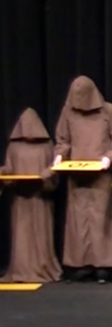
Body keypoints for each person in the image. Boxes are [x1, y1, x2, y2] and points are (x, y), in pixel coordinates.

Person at [53, 75, 112, 283]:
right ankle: (81, 264)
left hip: (101, 175)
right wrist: (60, 155)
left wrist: (108, 159)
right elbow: (63, 140)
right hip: (77, 175)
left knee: (101, 218)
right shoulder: (68, 112)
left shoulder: (108, 111)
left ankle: (103, 266)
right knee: (79, 219)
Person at [0, 108, 62, 283]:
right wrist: (3, 174)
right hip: (20, 200)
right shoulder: (14, 146)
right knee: (22, 235)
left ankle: (42, 267)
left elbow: (54, 169)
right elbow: (9, 168)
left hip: (40, 199)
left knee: (41, 235)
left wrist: (46, 175)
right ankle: (21, 269)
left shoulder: (47, 146)